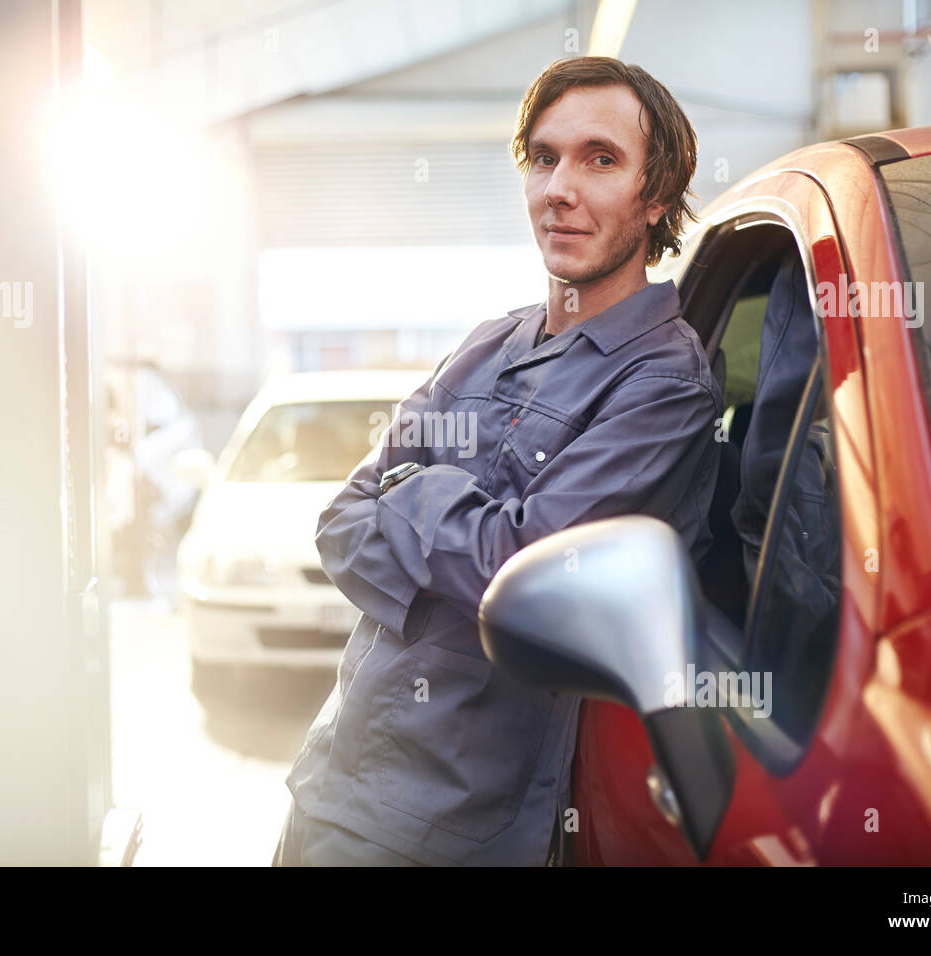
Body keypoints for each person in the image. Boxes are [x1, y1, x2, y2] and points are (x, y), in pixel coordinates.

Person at [273, 55, 722, 866]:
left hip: (442, 825)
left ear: (656, 197)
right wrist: (459, 556)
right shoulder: (490, 342)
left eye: (600, 159)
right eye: (544, 157)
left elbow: (525, 581)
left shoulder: (664, 385)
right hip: (331, 776)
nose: (560, 187)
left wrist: (413, 500)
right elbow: (340, 522)